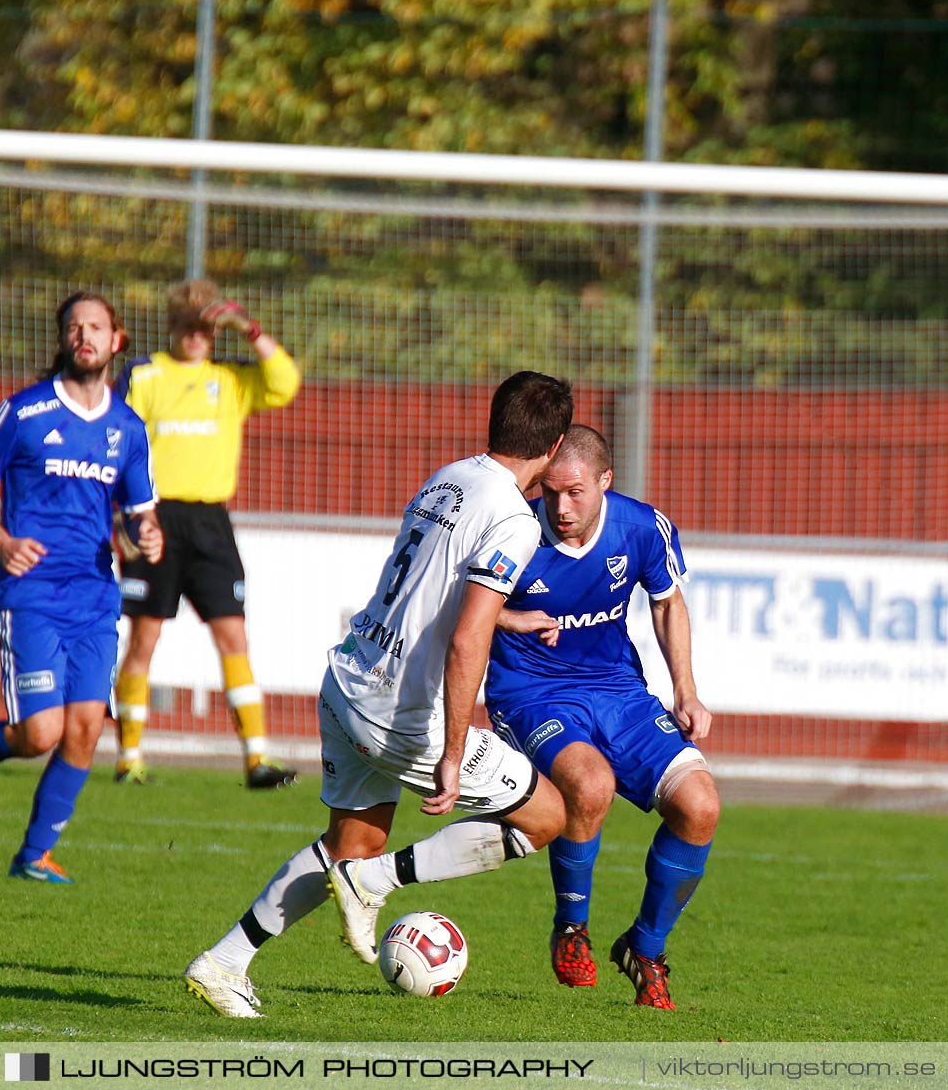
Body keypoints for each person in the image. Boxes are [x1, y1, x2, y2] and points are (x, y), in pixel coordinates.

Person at [182, 371, 575, 1019]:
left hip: (349, 678)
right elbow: (465, 638)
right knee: (546, 815)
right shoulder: (512, 516)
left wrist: (507, 616)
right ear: (554, 445)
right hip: (397, 711)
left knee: (349, 845)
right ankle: (377, 882)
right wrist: (452, 752)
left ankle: (224, 962)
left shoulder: (451, 477)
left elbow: (432, 590)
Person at [0, 292, 163, 885]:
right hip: (29, 592)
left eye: (97, 327)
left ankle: (33, 856)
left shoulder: (128, 428)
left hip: (94, 596)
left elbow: (138, 510)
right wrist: (1, 540)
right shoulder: (25, 413)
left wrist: (147, 533)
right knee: (39, 733)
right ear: (63, 340)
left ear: (116, 341)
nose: (86, 335)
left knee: (84, 729)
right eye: (75, 327)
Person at [484, 424, 719, 1010]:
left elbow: (667, 604)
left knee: (701, 806)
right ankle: (571, 928)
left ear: (605, 482)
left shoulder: (642, 527)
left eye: (576, 493)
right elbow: (460, 612)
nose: (560, 508)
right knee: (591, 785)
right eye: (551, 492)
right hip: (531, 692)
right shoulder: (512, 532)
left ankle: (645, 947)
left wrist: (685, 691)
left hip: (617, 689)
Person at [112, 279, 301, 789]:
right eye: (188, 327)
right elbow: (117, 443)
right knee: (144, 637)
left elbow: (285, 383)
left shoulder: (231, 379)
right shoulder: (145, 375)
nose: (196, 338)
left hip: (211, 522)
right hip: (155, 517)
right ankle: (129, 758)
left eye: (206, 329)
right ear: (172, 327)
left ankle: (256, 760)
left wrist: (250, 329)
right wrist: (121, 516)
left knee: (233, 636)